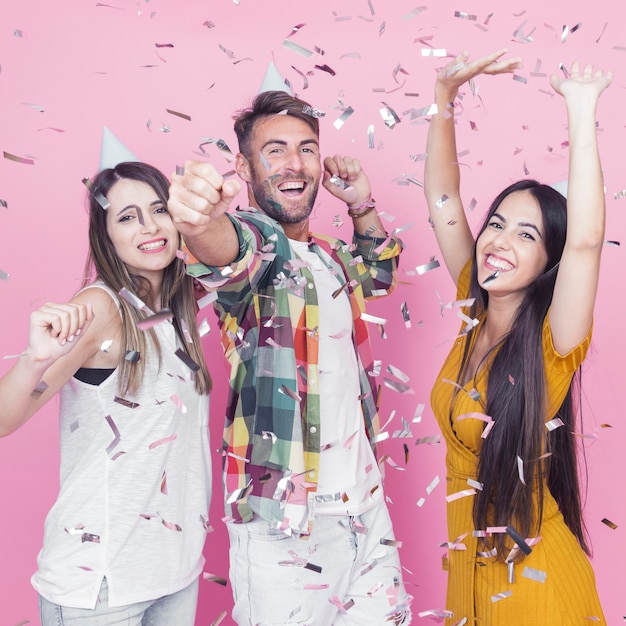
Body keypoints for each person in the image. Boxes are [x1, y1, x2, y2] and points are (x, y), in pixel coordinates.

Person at [167, 89, 412, 625]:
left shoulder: (327, 255)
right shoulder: (259, 251)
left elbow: (380, 273)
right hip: (285, 521)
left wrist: (361, 205)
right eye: (274, 150)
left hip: (365, 509)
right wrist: (195, 220)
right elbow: (226, 247)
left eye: (306, 148)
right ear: (243, 166)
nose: (295, 163)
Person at [425, 49, 610, 624]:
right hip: (472, 575)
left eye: (526, 235)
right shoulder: (472, 309)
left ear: (547, 263)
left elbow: (585, 242)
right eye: (497, 223)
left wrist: (580, 110)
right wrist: (443, 99)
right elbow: (442, 200)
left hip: (536, 587)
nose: (499, 240)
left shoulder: (556, 342)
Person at [0, 161, 213, 625]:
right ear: (106, 236)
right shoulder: (99, 308)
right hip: (99, 582)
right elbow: (3, 419)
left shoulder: (181, 309)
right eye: (127, 216)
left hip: (173, 574)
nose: (150, 227)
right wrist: (35, 359)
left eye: (158, 210)